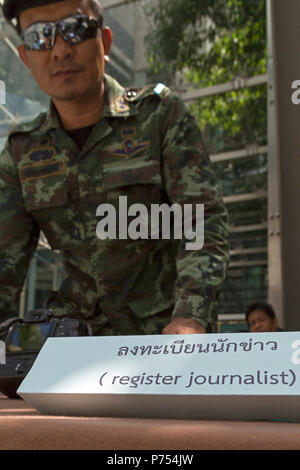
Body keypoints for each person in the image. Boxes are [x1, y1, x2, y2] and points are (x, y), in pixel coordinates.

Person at [0, 0, 229, 336]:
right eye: (39, 37)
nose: (60, 50)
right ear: (25, 58)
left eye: (75, 28)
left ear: (105, 42)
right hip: (75, 342)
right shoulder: (23, 151)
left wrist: (191, 316)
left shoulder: (160, 116)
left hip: (166, 338)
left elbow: (202, 223)